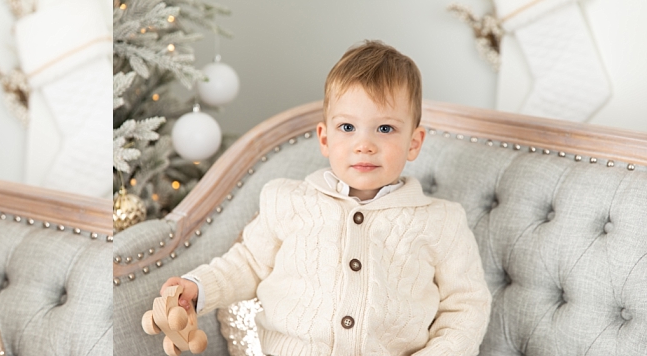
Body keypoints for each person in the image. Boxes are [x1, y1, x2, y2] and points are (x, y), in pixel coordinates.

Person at [160, 40, 491, 355]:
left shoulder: (441, 221)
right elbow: (246, 264)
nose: (364, 144)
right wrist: (198, 288)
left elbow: (466, 305)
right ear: (325, 137)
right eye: (348, 128)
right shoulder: (288, 201)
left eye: (385, 129)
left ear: (414, 142)